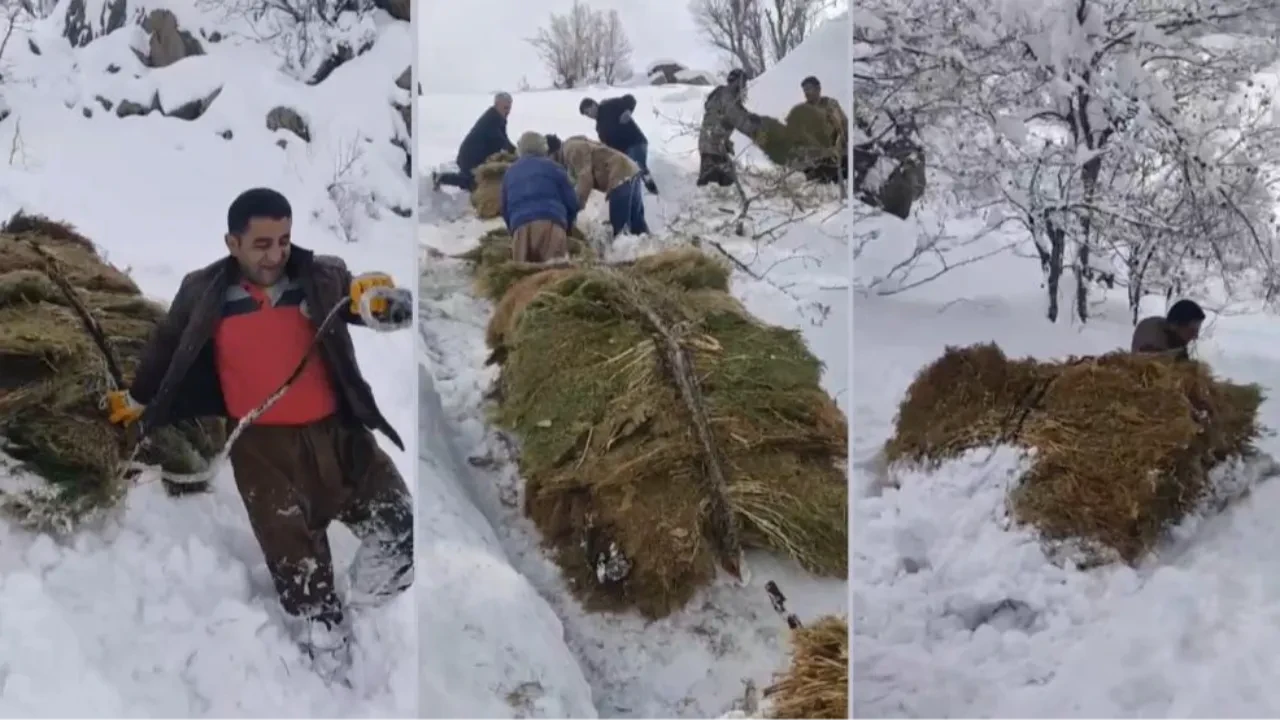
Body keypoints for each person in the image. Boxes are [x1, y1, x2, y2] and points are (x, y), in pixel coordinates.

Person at [103, 188, 414, 683]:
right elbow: (167, 344)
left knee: (400, 524)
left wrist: (379, 299)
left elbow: (367, 304)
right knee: (295, 558)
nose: (276, 254)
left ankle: (375, 610)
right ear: (232, 243)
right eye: (262, 243)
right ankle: (324, 636)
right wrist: (141, 398)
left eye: (285, 241)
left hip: (341, 437)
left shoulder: (322, 276)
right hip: (262, 449)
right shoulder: (204, 291)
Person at [500, 131, 580, 263]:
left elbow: (504, 208)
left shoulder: (510, 172)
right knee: (555, 275)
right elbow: (572, 203)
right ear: (543, 148)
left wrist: (514, 230)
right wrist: (568, 227)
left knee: (523, 274)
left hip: (520, 226)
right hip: (551, 224)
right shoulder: (555, 168)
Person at [552, 134, 650, 238]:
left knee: (620, 230)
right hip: (631, 171)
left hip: (619, 176)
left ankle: (625, 252)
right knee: (638, 226)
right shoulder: (573, 147)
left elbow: (585, 179)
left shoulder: (570, 150)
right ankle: (655, 249)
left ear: (552, 153)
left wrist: (576, 208)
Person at [432, 92, 517, 192]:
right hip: (470, 157)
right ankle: (441, 178)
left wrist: (516, 152)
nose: (508, 111)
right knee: (474, 183)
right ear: (496, 105)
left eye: (509, 108)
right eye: (505, 108)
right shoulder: (492, 120)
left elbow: (503, 140)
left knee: (473, 181)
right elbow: (500, 141)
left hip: (474, 157)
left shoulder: (497, 118)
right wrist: (517, 154)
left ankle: (442, 177)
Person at [579, 95, 659, 195]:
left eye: (588, 110)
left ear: (593, 104)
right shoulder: (599, 127)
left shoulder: (609, 105)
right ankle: (639, 194)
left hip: (635, 141)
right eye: (586, 114)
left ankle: (652, 186)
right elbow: (608, 145)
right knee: (627, 172)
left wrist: (628, 111)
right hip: (624, 152)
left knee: (638, 163)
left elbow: (630, 99)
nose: (588, 115)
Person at [698, 69, 764, 188]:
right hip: (714, 148)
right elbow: (739, 119)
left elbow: (738, 115)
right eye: (743, 83)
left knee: (715, 187)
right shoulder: (728, 96)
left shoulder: (722, 95)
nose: (745, 87)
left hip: (710, 147)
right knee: (719, 188)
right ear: (738, 82)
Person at [800, 76, 849, 185]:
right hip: (813, 156)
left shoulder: (830, 104)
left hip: (834, 153)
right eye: (804, 90)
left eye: (809, 88)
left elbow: (843, 127)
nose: (806, 92)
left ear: (818, 89)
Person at [1131, 299, 1205, 360]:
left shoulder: (1176, 342)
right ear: (1176, 325)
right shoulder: (1153, 344)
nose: (1195, 336)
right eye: (1192, 330)